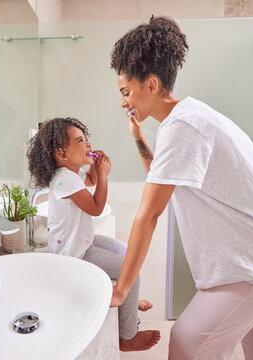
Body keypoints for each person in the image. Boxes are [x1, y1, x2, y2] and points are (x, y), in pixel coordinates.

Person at [109, 15, 253, 359]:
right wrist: (139, 139)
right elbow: (163, 179)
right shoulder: (188, 118)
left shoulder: (182, 127)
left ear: (152, 84)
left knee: (188, 343)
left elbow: (149, 214)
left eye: (126, 91)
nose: (123, 102)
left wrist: (122, 289)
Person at [27, 117, 160, 352]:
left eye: (86, 139)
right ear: (62, 153)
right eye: (80, 141)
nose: (87, 144)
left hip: (82, 243)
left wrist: (95, 169)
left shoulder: (71, 174)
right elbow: (96, 207)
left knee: (125, 252)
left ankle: (128, 298)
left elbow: (89, 180)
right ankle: (127, 337)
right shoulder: (64, 179)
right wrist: (104, 176)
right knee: (130, 270)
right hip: (75, 254)